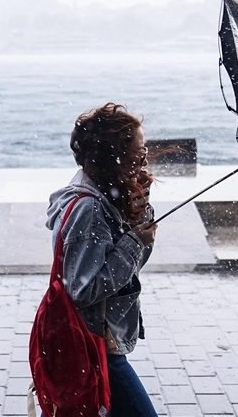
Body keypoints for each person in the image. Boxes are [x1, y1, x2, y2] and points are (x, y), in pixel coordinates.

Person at [44, 102, 159, 417]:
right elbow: (85, 288)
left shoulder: (104, 197)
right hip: (94, 342)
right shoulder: (89, 208)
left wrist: (139, 214)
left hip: (89, 341)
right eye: (138, 153)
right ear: (114, 157)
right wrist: (134, 241)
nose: (144, 160)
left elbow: (130, 270)